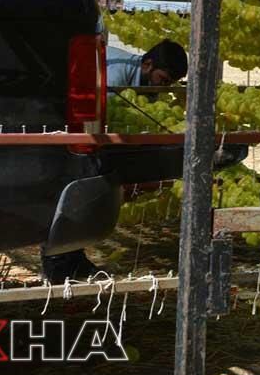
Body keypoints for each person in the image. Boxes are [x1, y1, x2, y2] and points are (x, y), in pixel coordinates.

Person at [42, 37, 189, 283]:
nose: (163, 89)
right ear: (147, 65)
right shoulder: (115, 75)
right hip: (62, 125)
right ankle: (59, 261)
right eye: (163, 81)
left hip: (80, 132)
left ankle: (71, 256)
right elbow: (101, 125)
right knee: (77, 182)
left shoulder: (145, 85)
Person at [106, 38, 188, 89]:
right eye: (163, 79)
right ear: (147, 65)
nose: (165, 86)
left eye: (170, 83)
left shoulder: (150, 82)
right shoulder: (115, 74)